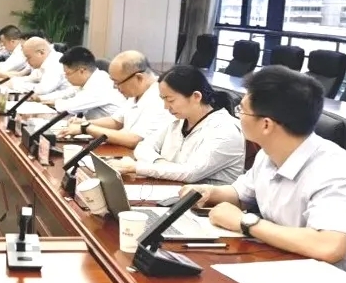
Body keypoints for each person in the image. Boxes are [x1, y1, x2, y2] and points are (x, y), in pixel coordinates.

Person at [183, 66, 346, 283]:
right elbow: (241, 194)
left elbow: (329, 246)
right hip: (294, 265)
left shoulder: (337, 172)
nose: (238, 116)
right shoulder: (269, 153)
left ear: (266, 124)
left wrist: (245, 222)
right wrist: (208, 192)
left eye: (242, 111)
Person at [111, 65, 244, 185]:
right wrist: (160, 163)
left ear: (196, 96)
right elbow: (142, 147)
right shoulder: (177, 120)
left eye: (170, 100)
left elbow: (191, 173)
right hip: (171, 189)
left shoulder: (225, 130)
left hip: (207, 202)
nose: (165, 106)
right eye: (163, 99)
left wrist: (136, 167)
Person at [58, 50, 172, 148]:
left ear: (138, 78)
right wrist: (84, 123)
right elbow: (116, 121)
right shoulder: (136, 92)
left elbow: (134, 139)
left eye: (117, 82)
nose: (114, 87)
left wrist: (87, 128)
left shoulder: (159, 97)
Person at [39, 46, 124, 119]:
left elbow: (71, 106)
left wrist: (55, 102)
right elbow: (67, 93)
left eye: (68, 73)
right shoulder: (89, 80)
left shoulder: (101, 84)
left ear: (82, 71)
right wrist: (41, 99)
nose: (66, 77)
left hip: (111, 131)